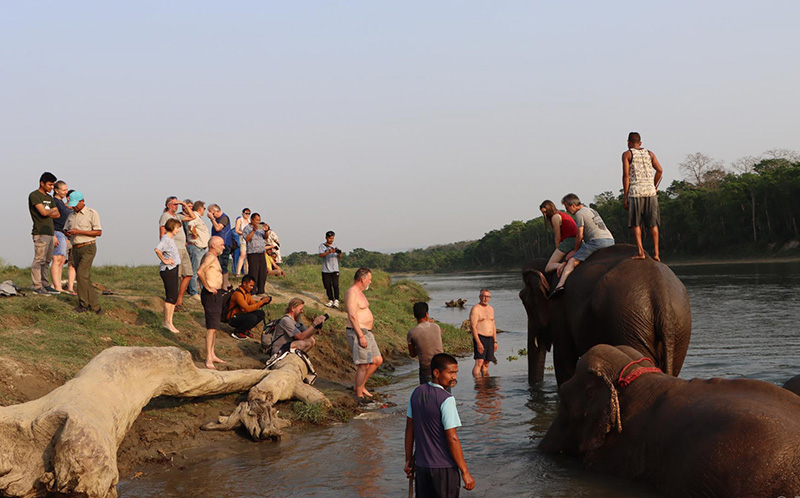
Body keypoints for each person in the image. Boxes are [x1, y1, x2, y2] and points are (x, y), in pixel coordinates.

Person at [404, 353, 476, 497]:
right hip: (444, 469)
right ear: (436, 373)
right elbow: (452, 438)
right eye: (450, 373)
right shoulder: (446, 399)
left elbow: (409, 429)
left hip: (422, 467)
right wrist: (465, 472)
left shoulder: (416, 392)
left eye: (456, 373)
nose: (454, 377)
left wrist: (408, 460)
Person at [550, 193, 615, 298]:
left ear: (573, 205)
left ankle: (559, 286)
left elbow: (579, 235)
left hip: (596, 241)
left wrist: (575, 251)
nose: (567, 211)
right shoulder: (591, 210)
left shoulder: (579, 214)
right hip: (610, 240)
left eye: (567, 208)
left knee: (571, 262)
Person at [622, 131, 664, 261]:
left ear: (628, 143)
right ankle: (656, 253)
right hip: (650, 192)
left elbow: (626, 176)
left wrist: (625, 196)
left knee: (636, 224)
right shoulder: (650, 154)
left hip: (636, 192)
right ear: (640, 143)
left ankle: (641, 252)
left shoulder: (627, 154)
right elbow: (660, 170)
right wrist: (654, 185)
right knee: (653, 224)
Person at [345, 267, 383, 398]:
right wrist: (360, 336)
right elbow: (352, 315)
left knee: (377, 360)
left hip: (367, 332)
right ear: (363, 279)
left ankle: (360, 386)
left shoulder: (360, 292)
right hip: (358, 332)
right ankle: (359, 394)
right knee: (364, 364)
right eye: (369, 279)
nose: (370, 282)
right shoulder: (352, 293)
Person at [63, 191, 103, 314]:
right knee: (84, 277)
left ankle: (83, 304)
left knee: (80, 275)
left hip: (88, 247)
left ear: (82, 201)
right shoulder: (71, 216)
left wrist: (79, 232)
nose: (74, 207)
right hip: (75, 248)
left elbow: (98, 232)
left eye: (76, 204)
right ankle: (96, 307)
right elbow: (66, 229)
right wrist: (68, 233)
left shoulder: (92, 213)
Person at [197, 236, 227, 369]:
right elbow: (200, 271)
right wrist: (207, 287)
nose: (224, 247)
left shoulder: (213, 257)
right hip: (210, 295)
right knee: (211, 327)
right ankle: (208, 358)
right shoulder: (210, 257)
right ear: (213, 245)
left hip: (217, 294)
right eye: (221, 245)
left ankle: (212, 354)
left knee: (214, 326)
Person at [159, 196, 195, 309]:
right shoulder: (165, 216)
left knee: (188, 273)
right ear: (168, 205)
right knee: (176, 275)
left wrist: (184, 205)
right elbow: (162, 233)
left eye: (177, 204)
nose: (176, 206)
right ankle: (174, 301)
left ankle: (179, 299)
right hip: (174, 248)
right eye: (174, 204)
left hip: (182, 248)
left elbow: (192, 216)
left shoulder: (178, 216)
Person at [28, 172, 60, 295]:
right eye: (50, 184)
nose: (52, 187)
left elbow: (57, 214)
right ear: (42, 183)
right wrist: (49, 211)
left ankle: (45, 284)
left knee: (47, 260)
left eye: (53, 185)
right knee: (39, 259)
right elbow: (43, 213)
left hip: (50, 232)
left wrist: (48, 211)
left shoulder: (49, 198)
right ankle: (37, 286)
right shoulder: (34, 195)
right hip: (40, 232)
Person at [154, 218, 182, 334]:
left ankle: (170, 322)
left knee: (173, 297)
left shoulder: (170, 239)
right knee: (170, 297)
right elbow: (157, 249)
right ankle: (166, 322)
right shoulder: (166, 239)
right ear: (172, 227)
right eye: (177, 228)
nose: (178, 230)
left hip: (173, 268)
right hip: (168, 269)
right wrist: (165, 260)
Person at [407, 302, 444, 384]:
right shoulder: (436, 327)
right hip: (441, 365)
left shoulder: (412, 333)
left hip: (426, 369)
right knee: (444, 395)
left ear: (414, 315)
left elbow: (412, 354)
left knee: (427, 394)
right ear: (427, 314)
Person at [226, 275, 272, 340]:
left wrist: (263, 302)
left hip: (241, 315)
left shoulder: (247, 293)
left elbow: (254, 305)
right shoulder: (238, 294)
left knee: (260, 313)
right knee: (252, 318)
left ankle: (245, 329)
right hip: (233, 318)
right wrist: (261, 302)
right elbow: (247, 309)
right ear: (244, 283)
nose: (252, 288)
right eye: (251, 286)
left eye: (252, 286)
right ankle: (238, 332)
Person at [539, 200, 578, 273]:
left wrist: (557, 250)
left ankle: (561, 266)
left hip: (569, 242)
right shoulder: (563, 214)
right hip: (578, 240)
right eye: (543, 213)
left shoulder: (555, 217)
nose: (544, 215)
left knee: (548, 267)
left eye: (545, 212)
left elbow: (557, 237)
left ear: (550, 209)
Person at [50, 180, 73, 294]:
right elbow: (50, 218)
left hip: (63, 233)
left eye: (66, 190)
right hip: (57, 231)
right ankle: (56, 286)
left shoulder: (61, 203)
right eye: (63, 190)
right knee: (56, 259)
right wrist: (53, 235)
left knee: (62, 260)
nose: (65, 192)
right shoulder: (54, 202)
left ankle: (57, 285)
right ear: (56, 190)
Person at [469, 289, 497, 378]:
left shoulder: (491, 309)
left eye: (487, 296)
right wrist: (478, 343)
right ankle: (478, 383)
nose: (485, 298)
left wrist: (495, 341)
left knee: (486, 363)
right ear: (480, 297)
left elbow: (493, 325)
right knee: (479, 362)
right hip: (480, 337)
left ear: (490, 298)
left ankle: (486, 383)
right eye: (483, 296)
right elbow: (473, 327)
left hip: (490, 338)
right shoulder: (476, 309)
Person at [186, 200, 210, 296]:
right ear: (200, 208)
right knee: (195, 271)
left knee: (201, 271)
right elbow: (191, 225)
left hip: (201, 247)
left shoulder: (198, 217)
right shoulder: (195, 216)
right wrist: (195, 235)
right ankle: (193, 292)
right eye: (204, 208)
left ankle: (202, 289)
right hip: (197, 247)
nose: (204, 210)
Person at [242, 213, 268, 296]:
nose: (258, 222)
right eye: (257, 220)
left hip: (261, 252)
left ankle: (261, 291)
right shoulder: (247, 228)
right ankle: (252, 291)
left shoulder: (260, 228)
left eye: (259, 220)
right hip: (253, 253)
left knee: (262, 273)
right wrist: (253, 230)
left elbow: (265, 237)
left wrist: (266, 230)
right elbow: (247, 239)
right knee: (254, 273)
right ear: (252, 220)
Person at [319, 230, 341, 308]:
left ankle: (337, 300)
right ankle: (330, 299)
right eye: (330, 238)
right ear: (326, 238)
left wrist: (338, 253)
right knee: (327, 285)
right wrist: (329, 252)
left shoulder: (335, 245)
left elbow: (340, 256)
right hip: (326, 269)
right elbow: (320, 255)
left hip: (335, 269)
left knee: (335, 284)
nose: (331, 240)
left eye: (332, 238)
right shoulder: (322, 246)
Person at [234, 208, 251, 276]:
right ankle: (238, 272)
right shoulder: (240, 220)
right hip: (243, 240)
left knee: (247, 256)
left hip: (249, 240)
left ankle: (247, 272)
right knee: (243, 255)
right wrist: (244, 233)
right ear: (243, 213)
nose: (247, 215)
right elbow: (236, 230)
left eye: (249, 213)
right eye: (246, 213)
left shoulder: (249, 221)